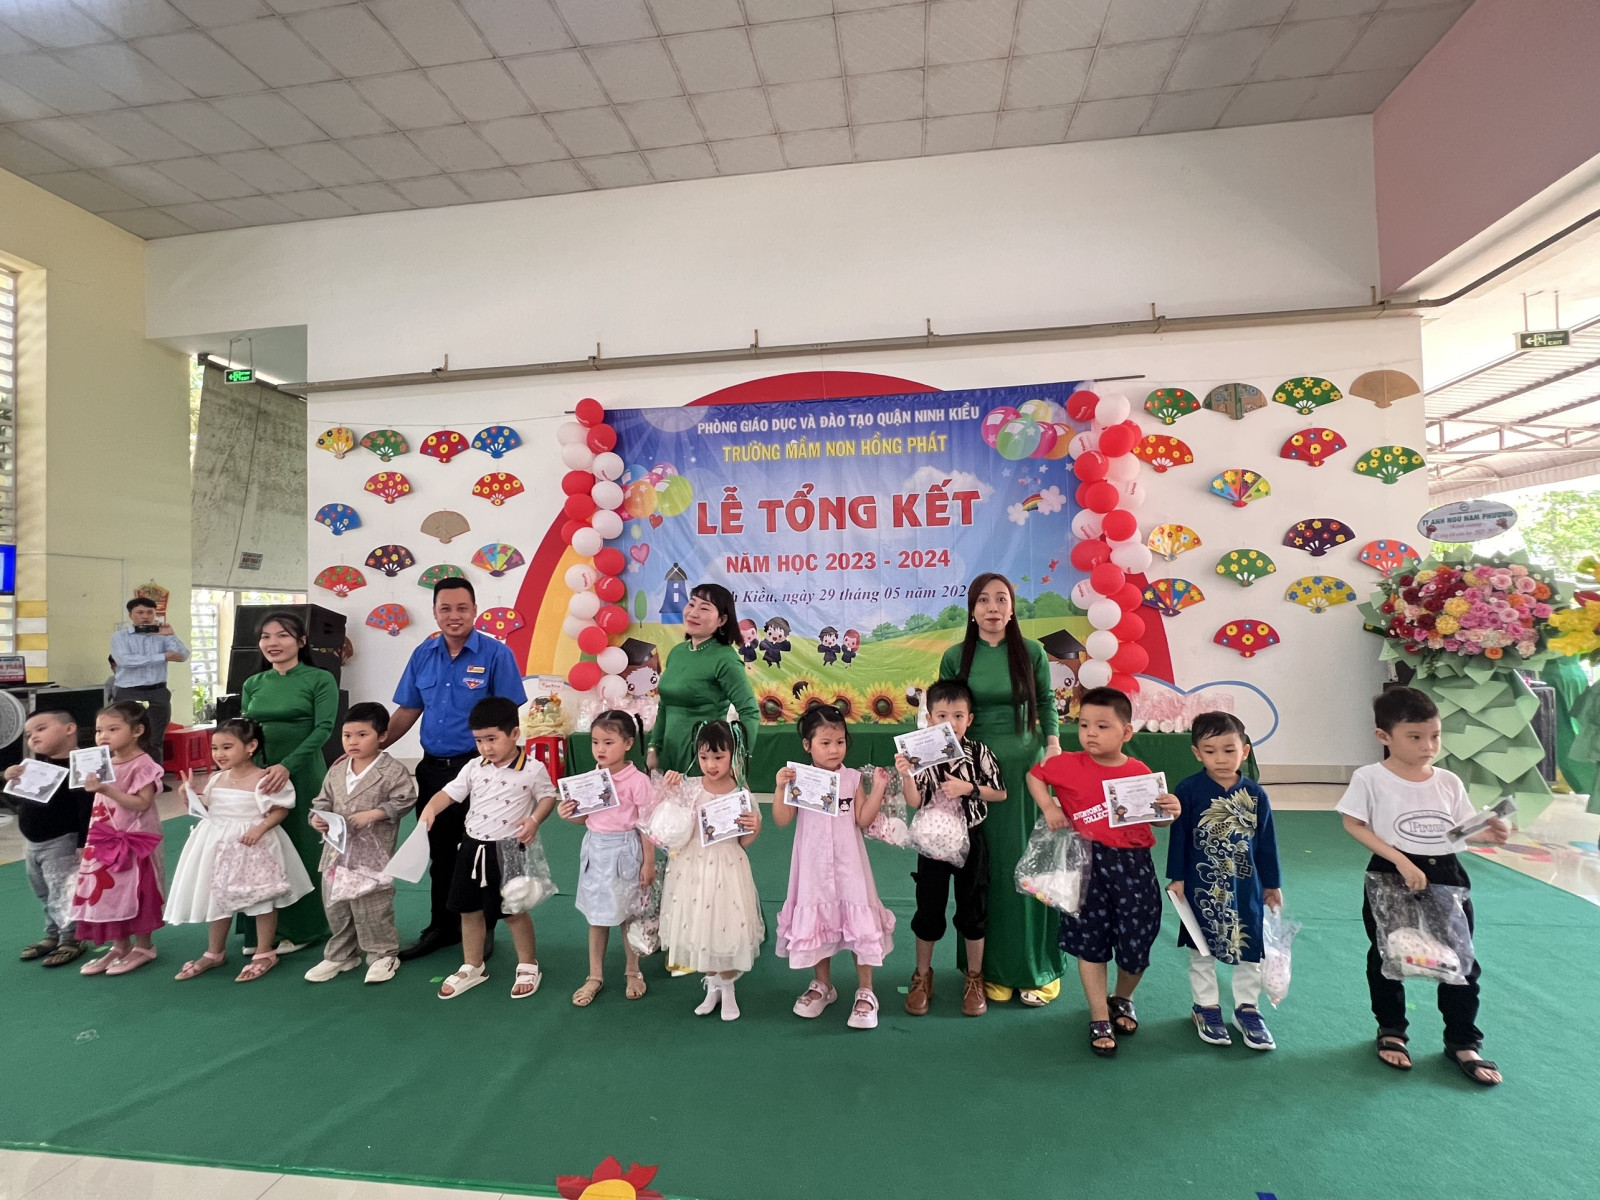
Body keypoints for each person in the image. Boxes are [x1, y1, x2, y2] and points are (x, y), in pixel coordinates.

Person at [1337, 687, 1509, 1086]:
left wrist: (1487, 833)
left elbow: (1456, 832)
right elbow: (1353, 824)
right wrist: (1400, 860)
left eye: (1435, 736)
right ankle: (1392, 1031)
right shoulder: (1370, 778)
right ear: (1384, 736)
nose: (1428, 746)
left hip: (1447, 874)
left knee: (1459, 960)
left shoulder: (1448, 781)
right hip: (1390, 873)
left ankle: (1463, 1041)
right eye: (1415, 737)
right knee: (1390, 955)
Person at [1027, 686, 1180, 1057]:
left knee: (1137, 944)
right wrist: (1049, 807)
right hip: (1087, 864)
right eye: (1084, 725)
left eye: (1102, 726)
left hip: (1133, 867)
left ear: (1126, 732)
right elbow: (1035, 775)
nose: (1090, 733)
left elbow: (1157, 820)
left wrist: (1170, 811)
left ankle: (1122, 998)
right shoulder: (1066, 764)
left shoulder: (1139, 772)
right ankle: (1098, 1015)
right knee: (1089, 941)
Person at [387, 578, 528, 961]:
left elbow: (507, 715)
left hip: (483, 772)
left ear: (475, 610)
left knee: (484, 853)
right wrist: (375, 746)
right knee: (441, 852)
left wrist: (506, 769)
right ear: (435, 612)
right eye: (445, 608)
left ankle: (486, 926)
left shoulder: (496, 654)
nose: (454, 615)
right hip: (434, 771)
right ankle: (442, 927)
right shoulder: (423, 654)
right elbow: (409, 709)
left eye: (462, 608)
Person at [938, 572, 1062, 1006]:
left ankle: (1034, 967)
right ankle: (985, 969)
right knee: (980, 868)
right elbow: (943, 714)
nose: (993, 607)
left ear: (1012, 607)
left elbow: (1046, 701)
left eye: (1002, 599)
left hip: (1026, 770)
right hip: (972, 774)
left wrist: (1052, 743)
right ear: (972, 610)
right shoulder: (956, 656)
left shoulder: (1032, 652)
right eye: (984, 600)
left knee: (1026, 862)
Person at [417, 696, 556, 1001]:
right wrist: (430, 808)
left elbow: (548, 797)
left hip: (508, 850)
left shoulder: (532, 769)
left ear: (514, 734)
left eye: (492, 739)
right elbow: (449, 793)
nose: (485, 747)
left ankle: (528, 964)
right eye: (479, 740)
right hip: (471, 847)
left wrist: (534, 820)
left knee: (513, 910)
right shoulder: (473, 767)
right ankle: (473, 965)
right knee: (468, 910)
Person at [1165, 711, 1283, 1051]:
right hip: (1202, 888)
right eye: (1210, 750)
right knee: (1201, 947)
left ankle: (1248, 1008)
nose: (1220, 758)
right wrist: (1177, 878)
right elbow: (1179, 837)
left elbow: (1266, 843)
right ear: (1197, 753)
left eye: (1229, 750)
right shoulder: (1188, 790)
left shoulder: (1256, 795)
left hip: (1246, 888)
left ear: (1244, 751)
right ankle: (1206, 1007)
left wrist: (1272, 884)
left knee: (1250, 948)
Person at [773, 705, 895, 1030]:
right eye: (825, 743)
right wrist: (780, 788)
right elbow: (782, 820)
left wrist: (879, 788)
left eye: (839, 742)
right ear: (807, 745)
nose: (834, 749)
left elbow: (863, 819)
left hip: (850, 867)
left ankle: (866, 991)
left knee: (859, 924)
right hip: (812, 869)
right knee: (820, 922)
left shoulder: (852, 779)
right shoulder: (800, 778)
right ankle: (823, 985)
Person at [165, 719, 315, 983]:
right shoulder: (216, 778)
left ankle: (264, 951)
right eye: (215, 748)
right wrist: (188, 796)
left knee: (261, 897)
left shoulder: (264, 778)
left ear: (251, 746)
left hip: (254, 846)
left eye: (227, 747)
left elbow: (280, 809)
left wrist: (260, 828)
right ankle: (214, 951)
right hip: (219, 846)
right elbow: (208, 808)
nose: (219, 754)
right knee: (218, 896)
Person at [897, 680, 1005, 1018]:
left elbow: (1000, 792)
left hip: (971, 839)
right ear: (930, 719)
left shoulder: (979, 752)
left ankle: (974, 978)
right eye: (942, 715)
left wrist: (968, 788)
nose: (951, 722)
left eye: (958, 715)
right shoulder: (921, 752)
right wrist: (906, 775)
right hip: (932, 843)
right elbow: (914, 801)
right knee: (928, 908)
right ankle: (922, 976)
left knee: (974, 907)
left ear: (969, 719)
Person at [239, 610, 338, 953]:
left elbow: (324, 728)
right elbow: (245, 733)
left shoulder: (320, 679)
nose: (273, 642)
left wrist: (287, 766)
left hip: (303, 772)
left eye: (282, 635)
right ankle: (262, 932)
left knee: (302, 847)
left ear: (301, 641)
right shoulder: (254, 683)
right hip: (260, 775)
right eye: (265, 636)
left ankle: (305, 929)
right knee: (261, 849)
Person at [306, 702, 417, 985]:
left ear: (382, 736)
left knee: (372, 904)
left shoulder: (392, 770)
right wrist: (317, 817)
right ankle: (342, 954)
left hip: (372, 853)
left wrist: (376, 813)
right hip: (335, 851)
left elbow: (405, 799)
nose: (353, 742)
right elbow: (322, 801)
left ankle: (382, 954)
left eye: (362, 735)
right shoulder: (337, 770)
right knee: (336, 904)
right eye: (347, 735)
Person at [659, 721, 764, 1020]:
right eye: (704, 757)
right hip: (693, 868)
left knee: (726, 926)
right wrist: (671, 792)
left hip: (727, 868)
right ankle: (712, 986)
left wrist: (755, 825)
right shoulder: (690, 788)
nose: (711, 765)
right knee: (700, 926)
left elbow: (744, 841)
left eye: (719, 757)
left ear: (733, 754)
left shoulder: (741, 792)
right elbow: (672, 828)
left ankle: (727, 988)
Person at [563, 710, 656, 1006]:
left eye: (608, 742)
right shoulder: (591, 779)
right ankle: (594, 975)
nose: (600, 749)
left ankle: (633, 971)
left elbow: (647, 825)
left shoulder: (638, 781)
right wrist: (569, 813)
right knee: (596, 916)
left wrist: (648, 862)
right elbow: (585, 819)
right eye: (595, 742)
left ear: (628, 743)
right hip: (595, 849)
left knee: (628, 915)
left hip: (626, 850)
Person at [71, 702, 166, 977]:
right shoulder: (103, 763)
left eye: (113, 729)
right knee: (108, 890)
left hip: (134, 840)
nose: (103, 736)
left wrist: (105, 789)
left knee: (137, 890)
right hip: (102, 837)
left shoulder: (143, 764)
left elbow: (142, 803)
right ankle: (119, 945)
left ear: (137, 731)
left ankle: (144, 946)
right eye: (99, 730)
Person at [5, 712, 93, 968]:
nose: (34, 737)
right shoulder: (36, 765)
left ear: (69, 729)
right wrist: (9, 777)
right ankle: (52, 934)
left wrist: (84, 842)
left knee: (64, 892)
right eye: (29, 734)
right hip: (33, 843)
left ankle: (71, 938)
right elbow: (20, 800)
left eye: (41, 729)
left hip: (62, 840)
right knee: (44, 892)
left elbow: (86, 807)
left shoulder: (81, 764)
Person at [646, 584, 759, 776]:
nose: (693, 613)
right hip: (668, 753)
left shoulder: (725, 658)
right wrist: (653, 747)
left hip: (704, 758)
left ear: (722, 620)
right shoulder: (677, 652)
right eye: (691, 604)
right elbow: (664, 705)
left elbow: (750, 711)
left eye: (704, 608)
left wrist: (737, 758)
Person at [109, 597, 189, 761]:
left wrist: (171, 635)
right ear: (130, 615)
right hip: (129, 692)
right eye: (140, 612)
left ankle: (155, 775)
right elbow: (125, 661)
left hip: (157, 692)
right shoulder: (119, 637)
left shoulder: (162, 636)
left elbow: (182, 656)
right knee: (125, 737)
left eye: (150, 612)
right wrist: (163, 656)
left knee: (155, 739)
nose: (145, 616)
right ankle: (126, 774)